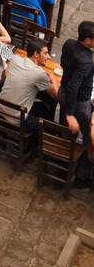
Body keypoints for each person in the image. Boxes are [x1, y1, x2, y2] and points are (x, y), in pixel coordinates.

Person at [58, 21, 94, 185]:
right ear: (87, 40)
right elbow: (74, 87)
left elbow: (63, 65)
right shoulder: (86, 60)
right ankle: (82, 177)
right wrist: (71, 114)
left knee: (65, 131)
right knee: (88, 139)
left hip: (63, 92)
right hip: (78, 103)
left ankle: (62, 166)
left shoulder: (69, 44)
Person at [0, 37, 57, 133]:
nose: (49, 57)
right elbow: (55, 95)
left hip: (0, 111)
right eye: (46, 53)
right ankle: (35, 143)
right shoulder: (39, 74)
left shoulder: (15, 58)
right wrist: (53, 79)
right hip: (17, 121)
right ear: (36, 54)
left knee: (41, 104)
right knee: (48, 123)